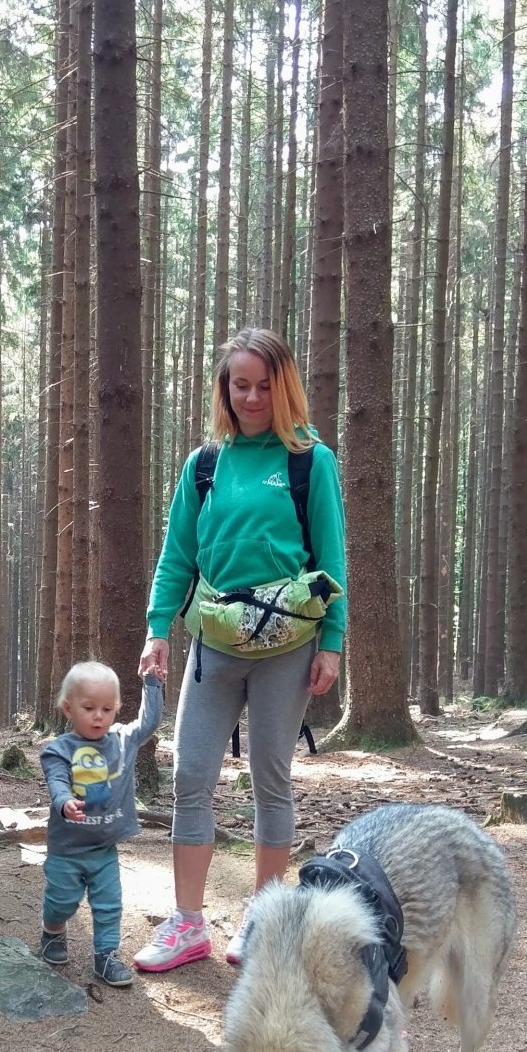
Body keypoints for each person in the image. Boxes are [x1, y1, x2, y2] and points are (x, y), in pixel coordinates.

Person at [134, 328, 345, 972]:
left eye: (263, 385)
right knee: (192, 774)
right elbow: (178, 555)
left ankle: (264, 920)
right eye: (239, 384)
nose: (251, 397)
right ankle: (187, 922)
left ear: (283, 388)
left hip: (289, 644)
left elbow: (331, 557)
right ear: (224, 389)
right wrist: (157, 629)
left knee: (270, 779)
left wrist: (332, 645)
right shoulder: (205, 465)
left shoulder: (310, 460)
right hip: (213, 645)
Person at [37, 660, 165, 988]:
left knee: (109, 905)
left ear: (116, 709)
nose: (99, 716)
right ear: (69, 708)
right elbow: (56, 780)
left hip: (104, 849)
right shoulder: (59, 749)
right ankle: (52, 932)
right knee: (61, 901)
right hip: (67, 849)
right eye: (89, 707)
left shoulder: (122, 741)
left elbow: (149, 723)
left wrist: (152, 684)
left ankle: (106, 955)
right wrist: (64, 802)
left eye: (107, 709)